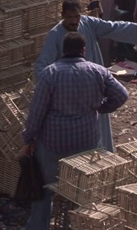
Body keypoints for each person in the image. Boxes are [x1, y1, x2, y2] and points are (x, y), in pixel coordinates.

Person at [23, 32, 128, 230]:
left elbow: (37, 111)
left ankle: (38, 226)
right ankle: (79, 224)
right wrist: (101, 107)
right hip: (86, 144)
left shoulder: (50, 73)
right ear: (83, 50)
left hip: (53, 143)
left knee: (44, 190)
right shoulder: (97, 71)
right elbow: (122, 95)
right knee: (82, 192)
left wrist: (29, 138)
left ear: (63, 50)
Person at [35, 0, 137, 154]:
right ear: (62, 16)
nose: (73, 21)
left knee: (98, 127)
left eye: (76, 17)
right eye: (69, 17)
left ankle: (100, 156)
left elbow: (111, 27)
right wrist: (48, 91)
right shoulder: (55, 35)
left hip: (92, 87)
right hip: (70, 92)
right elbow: (42, 63)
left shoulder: (88, 23)